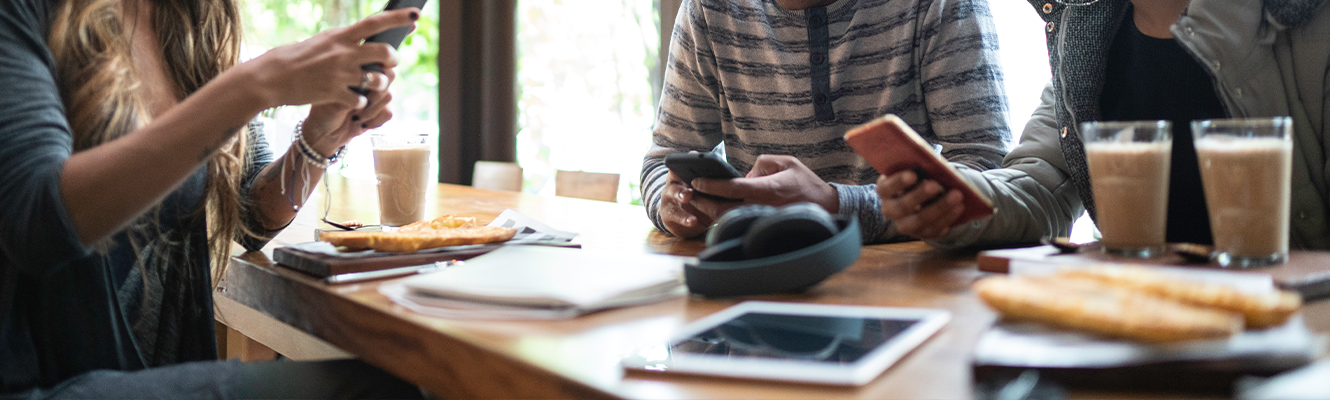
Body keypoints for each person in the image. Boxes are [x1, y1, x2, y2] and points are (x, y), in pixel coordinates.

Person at [0, 0, 425, 397]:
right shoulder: (26, 12)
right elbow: (35, 218)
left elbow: (251, 216)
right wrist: (252, 86)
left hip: (143, 371)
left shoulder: (197, 19)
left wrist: (317, 142)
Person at [876, 0, 1330, 250]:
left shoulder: (1309, 26)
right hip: (1152, 321)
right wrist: (954, 202)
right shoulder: (1088, 34)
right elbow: (1040, 183)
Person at [640, 0, 1012, 243]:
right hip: (758, 283)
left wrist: (835, 206)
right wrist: (673, 204)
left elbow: (987, 178)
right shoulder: (708, 9)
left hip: (909, 285)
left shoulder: (942, 6)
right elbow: (663, 162)